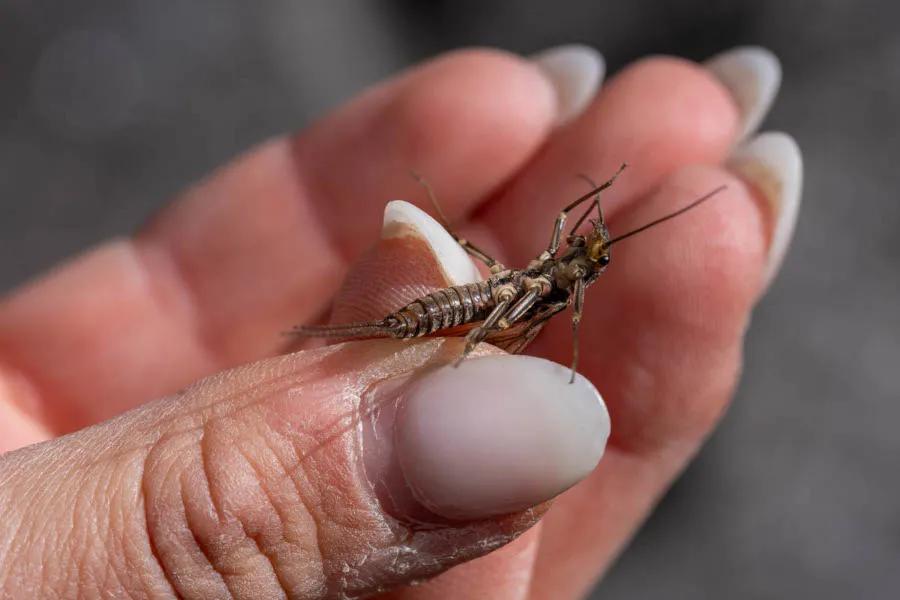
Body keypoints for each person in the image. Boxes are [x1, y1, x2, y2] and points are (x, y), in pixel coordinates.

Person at [0, 44, 800, 599]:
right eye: (590, 248)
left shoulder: (564, 289)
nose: (588, 253)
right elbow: (565, 222)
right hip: (476, 299)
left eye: (591, 255)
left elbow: (556, 299)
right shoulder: (561, 262)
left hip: (485, 303)